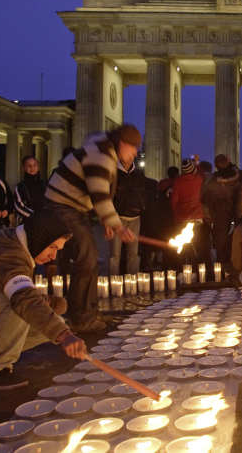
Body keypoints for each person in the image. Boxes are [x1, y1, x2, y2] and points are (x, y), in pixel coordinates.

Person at [0, 210, 86, 390]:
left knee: (53, 323)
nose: (53, 257)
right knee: (21, 306)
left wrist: (50, 309)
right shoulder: (5, 251)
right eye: (52, 247)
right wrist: (64, 335)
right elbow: (22, 296)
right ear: (40, 237)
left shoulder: (17, 245)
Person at [45, 124, 140, 333]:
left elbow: (97, 191)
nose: (135, 153)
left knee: (88, 258)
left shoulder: (103, 152)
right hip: (63, 206)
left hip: (73, 207)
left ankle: (86, 312)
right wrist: (117, 226)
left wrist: (106, 221)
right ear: (123, 143)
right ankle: (81, 318)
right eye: (133, 148)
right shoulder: (101, 156)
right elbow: (100, 195)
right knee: (87, 257)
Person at [110, 153, 147, 276]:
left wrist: (141, 207)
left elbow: (143, 192)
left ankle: (133, 279)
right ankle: (113, 280)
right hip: (118, 217)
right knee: (114, 253)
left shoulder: (139, 174)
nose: (130, 157)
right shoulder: (114, 173)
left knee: (133, 253)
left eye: (132, 155)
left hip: (135, 216)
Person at [201, 154, 241, 267]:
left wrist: (208, 214)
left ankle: (221, 264)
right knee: (235, 240)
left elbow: (205, 198)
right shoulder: (238, 176)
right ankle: (233, 264)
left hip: (220, 214)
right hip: (236, 212)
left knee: (220, 241)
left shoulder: (212, 180)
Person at [171, 159, 210, 270]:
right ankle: (200, 270)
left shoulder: (178, 182)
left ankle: (185, 270)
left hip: (182, 218)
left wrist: (176, 215)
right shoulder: (199, 180)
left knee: (184, 246)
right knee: (199, 246)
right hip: (197, 217)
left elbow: (174, 201)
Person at [14, 155, 47, 222]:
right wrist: (35, 216)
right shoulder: (20, 186)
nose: (32, 168)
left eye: (35, 165)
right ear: (24, 168)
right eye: (29, 166)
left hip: (45, 221)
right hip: (27, 222)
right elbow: (19, 206)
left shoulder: (45, 184)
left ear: (38, 167)